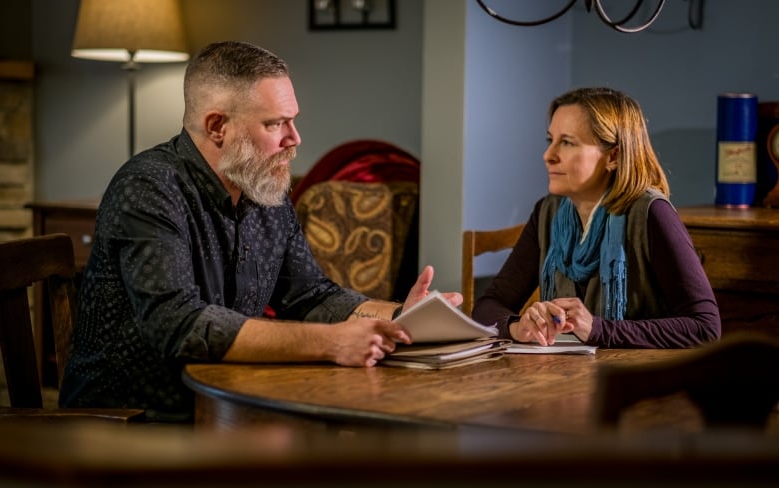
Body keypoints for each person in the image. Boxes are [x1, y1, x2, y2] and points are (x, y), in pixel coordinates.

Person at [59, 41, 461, 422]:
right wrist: (332, 342)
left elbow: (309, 295)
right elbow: (179, 325)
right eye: (276, 124)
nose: (294, 139)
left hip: (221, 403)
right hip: (133, 421)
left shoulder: (261, 185)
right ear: (217, 126)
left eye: (293, 122)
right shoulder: (149, 187)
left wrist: (401, 316)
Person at [471, 87, 721, 349]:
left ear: (612, 156)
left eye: (567, 142)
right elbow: (489, 307)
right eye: (550, 140)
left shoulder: (652, 213)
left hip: (639, 381)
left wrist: (598, 329)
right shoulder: (548, 212)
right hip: (566, 379)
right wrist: (517, 327)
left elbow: (704, 327)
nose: (549, 155)